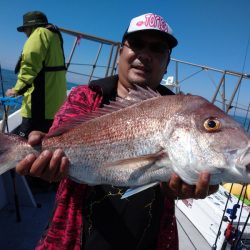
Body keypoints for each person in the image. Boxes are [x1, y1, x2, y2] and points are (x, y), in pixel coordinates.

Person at [15, 13, 219, 250]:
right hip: (73, 239)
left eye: (157, 48)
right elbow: (59, 137)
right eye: (136, 44)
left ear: (166, 64)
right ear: (120, 52)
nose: (145, 54)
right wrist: (47, 161)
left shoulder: (180, 111)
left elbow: (173, 170)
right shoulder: (86, 96)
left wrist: (179, 187)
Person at [5, 11, 67, 138]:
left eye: (25, 29)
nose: (25, 33)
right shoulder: (54, 36)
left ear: (31, 26)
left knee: (25, 142)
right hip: (54, 106)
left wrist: (16, 90)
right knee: (42, 140)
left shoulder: (39, 34)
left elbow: (29, 66)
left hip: (40, 107)